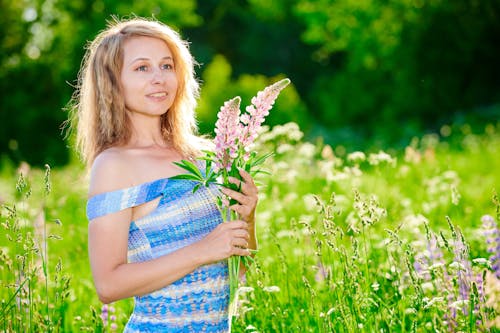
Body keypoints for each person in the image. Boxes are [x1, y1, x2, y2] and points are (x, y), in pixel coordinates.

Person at [70, 17, 258, 332]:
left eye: (167, 66)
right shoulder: (115, 165)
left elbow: (241, 272)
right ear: (113, 82)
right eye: (142, 68)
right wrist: (201, 251)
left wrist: (248, 217)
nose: (159, 78)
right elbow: (108, 285)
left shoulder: (208, 156)